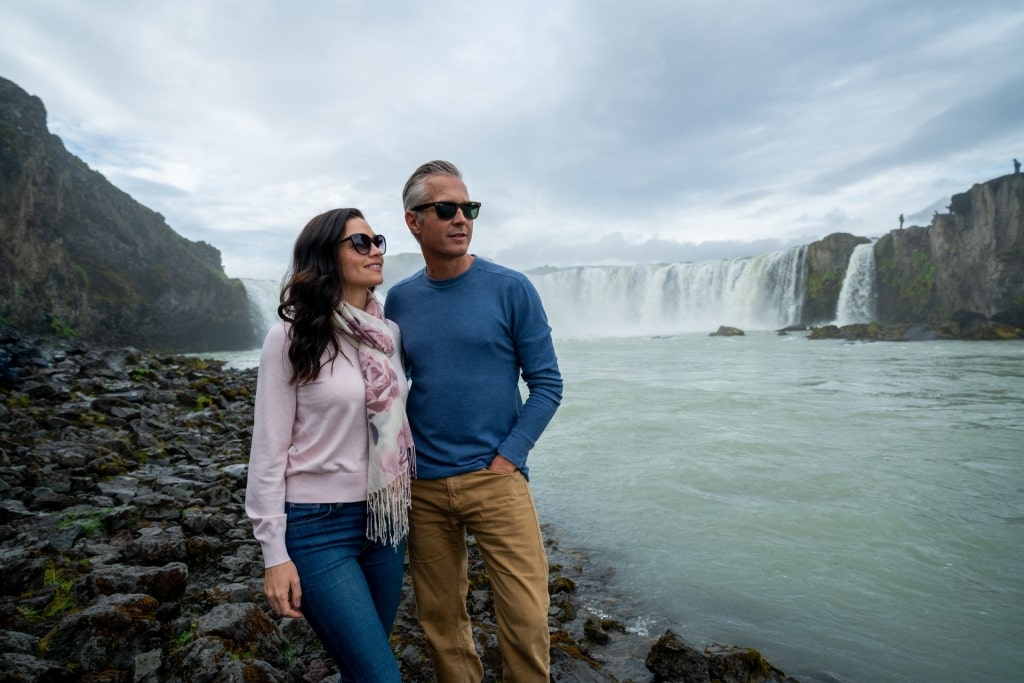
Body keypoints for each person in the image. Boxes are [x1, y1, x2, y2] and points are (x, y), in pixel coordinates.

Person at [384, 160, 563, 683]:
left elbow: (548, 384)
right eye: (446, 209)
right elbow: (393, 385)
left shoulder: (511, 288)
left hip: (497, 480)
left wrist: (509, 457)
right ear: (414, 221)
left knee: (527, 617)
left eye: (469, 208)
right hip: (424, 487)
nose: (461, 218)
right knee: (441, 621)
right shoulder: (401, 299)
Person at [245, 208, 415, 682]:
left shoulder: (389, 335)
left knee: (360, 669)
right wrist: (273, 554)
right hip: (317, 528)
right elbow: (268, 450)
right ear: (326, 256)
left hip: (386, 522)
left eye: (377, 240)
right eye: (360, 243)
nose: (376, 249)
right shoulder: (290, 337)